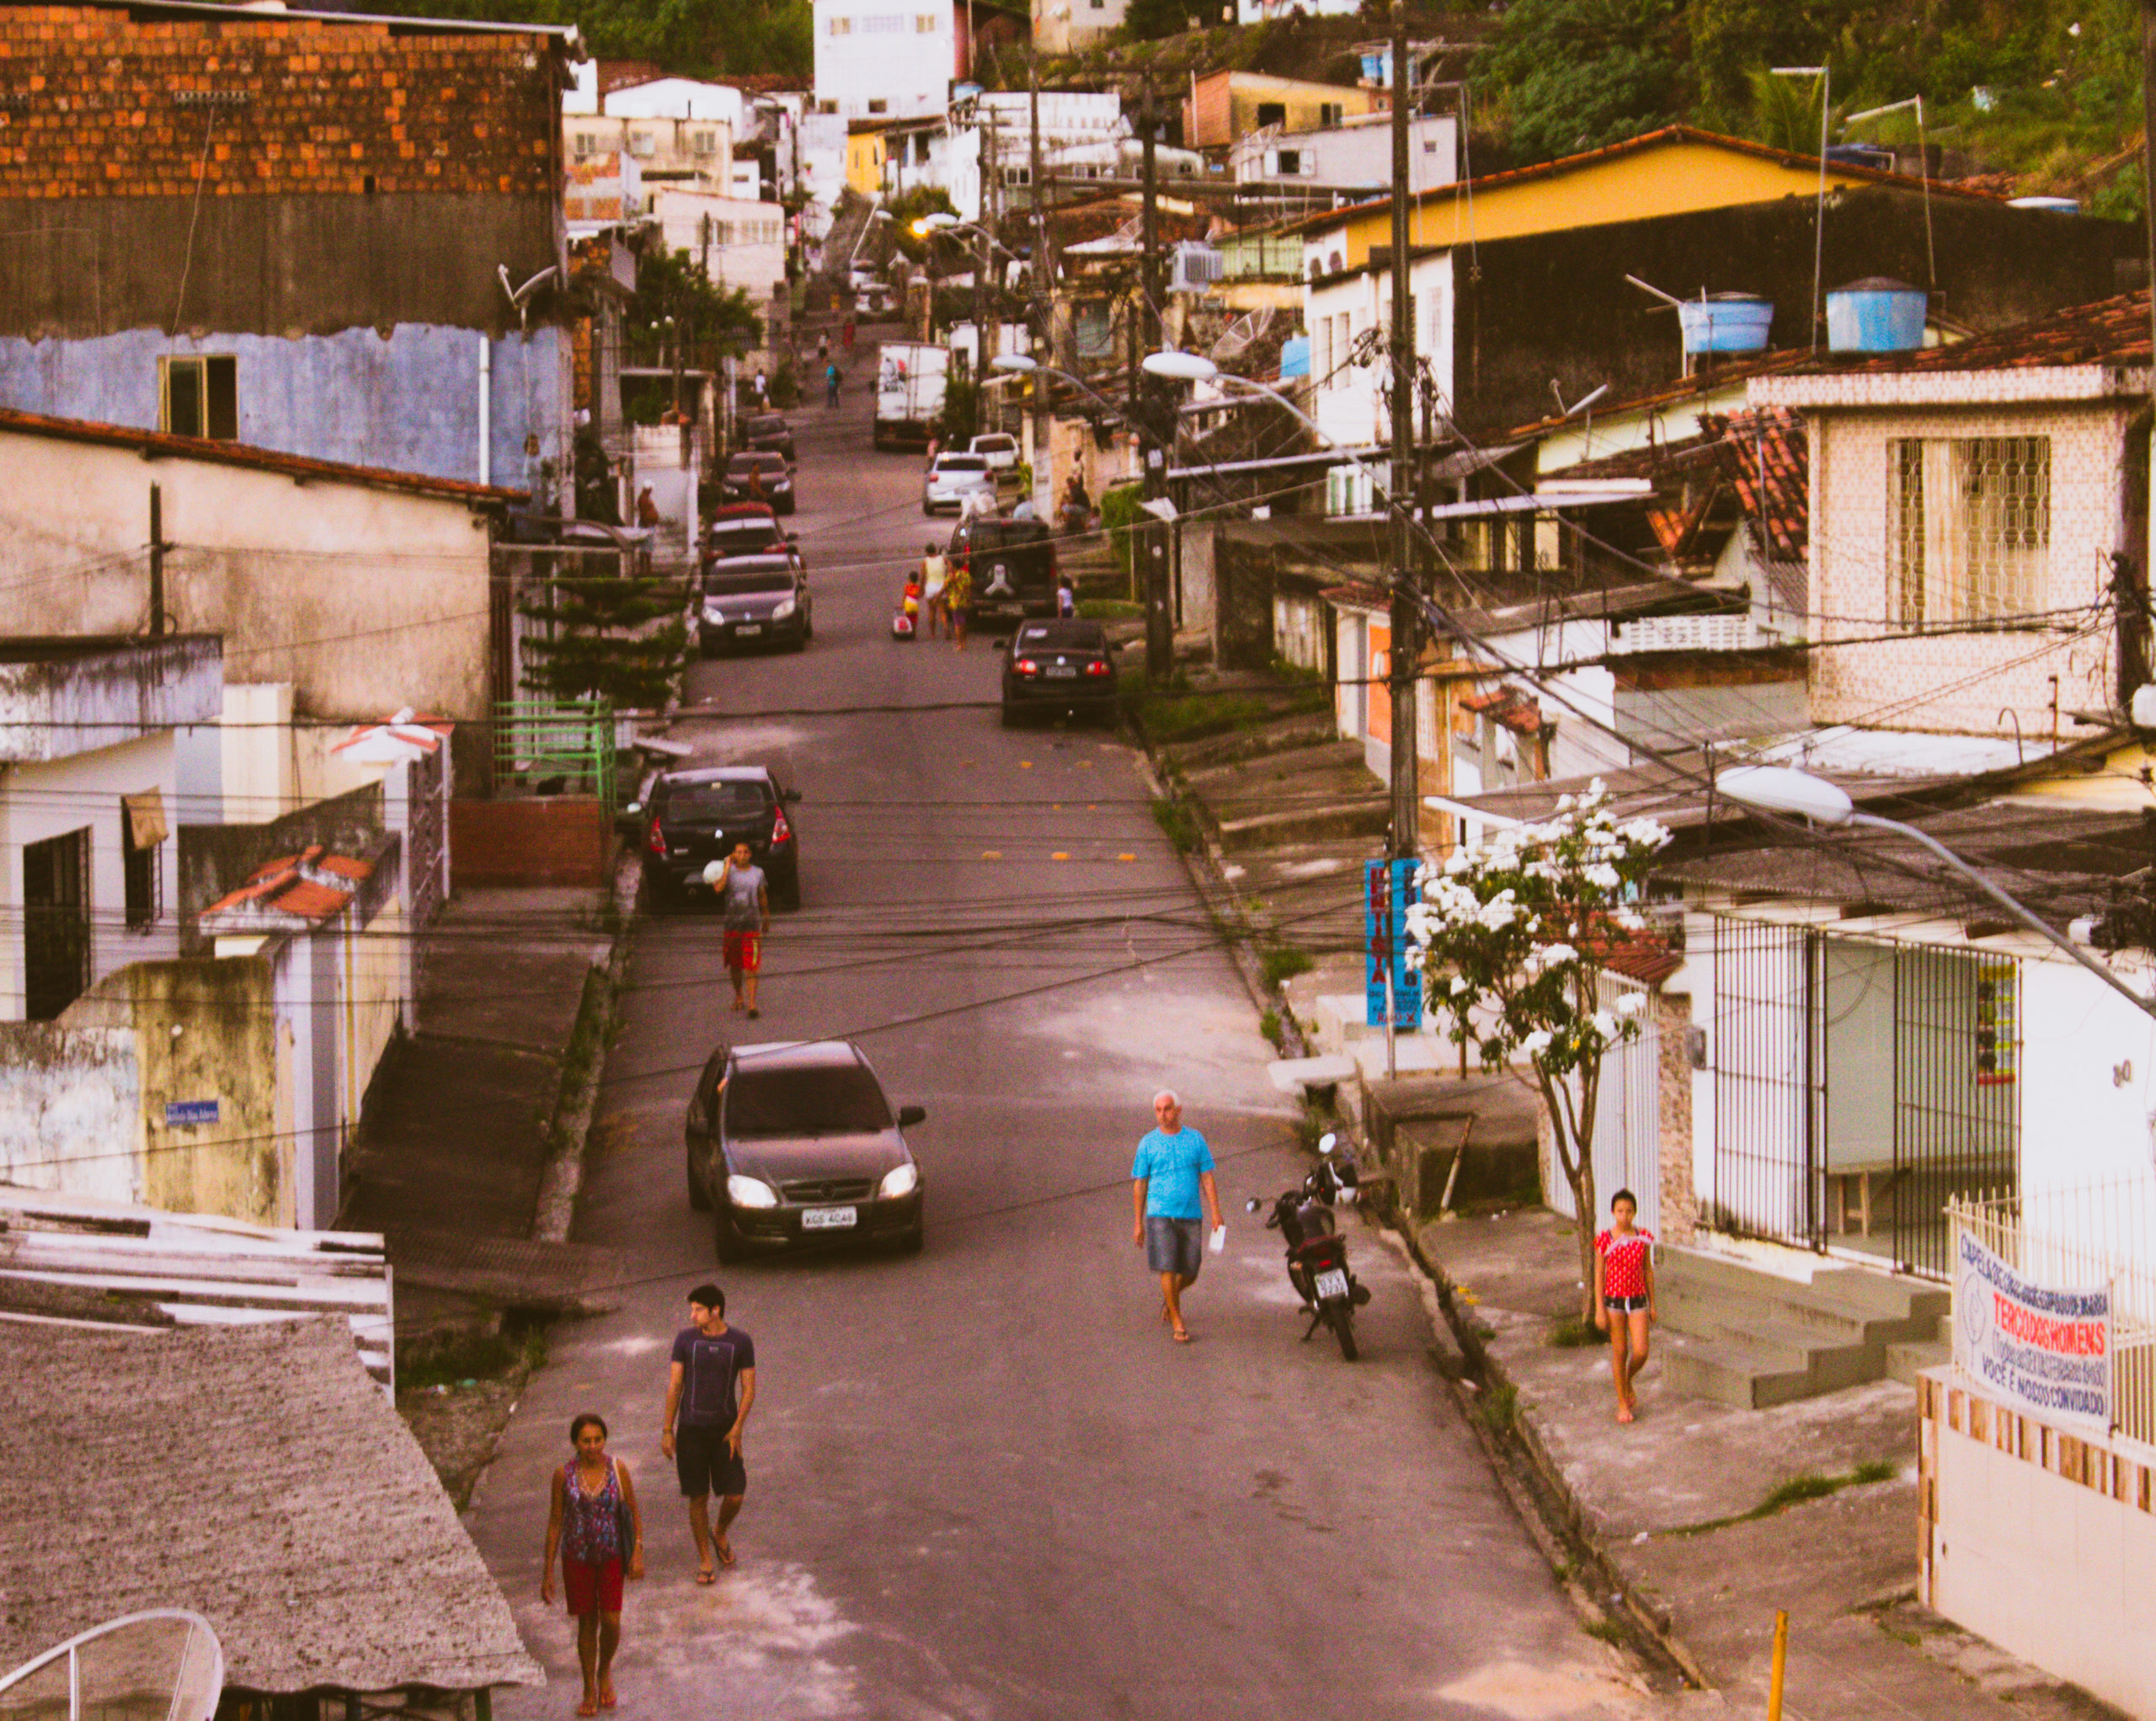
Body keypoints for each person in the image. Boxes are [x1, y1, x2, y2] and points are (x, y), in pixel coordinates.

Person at [542, 1414, 644, 1716]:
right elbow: (555, 1522)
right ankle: (589, 1685)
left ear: (604, 1440)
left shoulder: (617, 1469)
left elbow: (633, 1513)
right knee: (587, 1623)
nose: (592, 1446)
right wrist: (547, 1571)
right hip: (577, 1559)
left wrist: (637, 1551)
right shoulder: (563, 1475)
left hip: (612, 1556)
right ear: (575, 1442)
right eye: (586, 1440)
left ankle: (605, 1671)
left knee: (611, 1621)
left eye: (598, 1439)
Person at [660, 1284, 756, 1583]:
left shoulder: (740, 1341)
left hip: (725, 1432)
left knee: (736, 1494)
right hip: (691, 1431)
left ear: (715, 1310)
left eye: (698, 1309)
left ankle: (720, 1532)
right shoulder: (685, 1340)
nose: (692, 1316)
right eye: (692, 1309)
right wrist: (667, 1429)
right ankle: (705, 1559)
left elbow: (749, 1389)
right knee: (697, 1497)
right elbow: (675, 1385)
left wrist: (738, 1428)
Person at [1130, 1089, 1222, 1344]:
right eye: (1158, 1110)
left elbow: (1207, 1176)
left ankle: (1170, 1299)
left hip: (1191, 1214)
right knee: (1167, 1267)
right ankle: (1178, 1319)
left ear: (1178, 1110)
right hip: (1159, 1215)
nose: (1163, 1115)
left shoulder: (1195, 1140)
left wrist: (1216, 1212)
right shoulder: (1147, 1143)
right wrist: (1138, 1222)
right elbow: (1140, 1183)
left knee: (1191, 1269)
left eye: (1168, 1109)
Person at [1593, 1189, 1657, 1424]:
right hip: (1614, 1302)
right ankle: (1622, 1402)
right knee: (1620, 1351)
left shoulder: (1643, 1237)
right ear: (1612, 1212)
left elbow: (1648, 1271)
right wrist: (1599, 1309)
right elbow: (1599, 1274)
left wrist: (1652, 1304)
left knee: (1641, 1351)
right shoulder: (1605, 1240)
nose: (1624, 1215)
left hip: (1638, 1299)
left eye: (1629, 1211)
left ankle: (1627, 1379)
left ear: (1635, 1212)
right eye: (1620, 1211)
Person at [704, 841, 770, 1018]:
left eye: (745, 852)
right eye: (738, 852)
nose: (742, 856)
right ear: (733, 853)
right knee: (735, 965)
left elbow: (762, 895)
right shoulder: (726, 871)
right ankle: (739, 996)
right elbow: (718, 888)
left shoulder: (758, 873)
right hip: (732, 927)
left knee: (752, 966)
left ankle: (752, 1004)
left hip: (752, 927)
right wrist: (726, 866)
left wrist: (766, 916)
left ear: (750, 855)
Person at [942, 546, 971, 651]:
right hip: (965, 601)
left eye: (950, 565)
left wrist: (937, 597)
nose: (949, 566)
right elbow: (969, 586)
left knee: (957, 624)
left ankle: (960, 645)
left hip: (955, 602)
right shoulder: (966, 575)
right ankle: (964, 643)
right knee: (963, 623)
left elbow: (944, 588)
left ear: (954, 566)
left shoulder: (951, 576)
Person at [921, 541, 949, 639]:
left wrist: (921, 590)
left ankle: (932, 634)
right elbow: (950, 567)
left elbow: (922, 577)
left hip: (930, 587)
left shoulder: (925, 562)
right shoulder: (943, 559)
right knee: (942, 611)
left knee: (931, 610)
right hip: (941, 587)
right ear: (936, 550)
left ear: (927, 552)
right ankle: (945, 627)